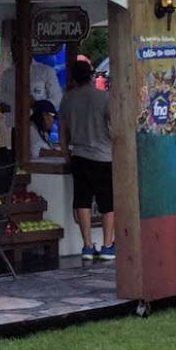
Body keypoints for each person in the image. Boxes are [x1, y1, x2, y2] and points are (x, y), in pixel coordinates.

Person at [59, 56, 115, 262]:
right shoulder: (104, 97)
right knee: (107, 203)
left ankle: (87, 246)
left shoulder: (67, 99)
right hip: (103, 155)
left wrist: (66, 155)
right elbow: (114, 124)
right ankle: (107, 245)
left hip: (79, 156)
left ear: (73, 78)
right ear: (91, 76)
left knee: (82, 200)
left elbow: (63, 131)